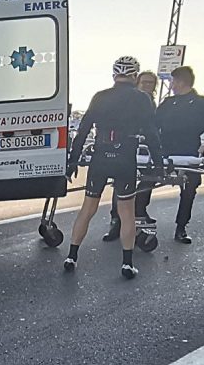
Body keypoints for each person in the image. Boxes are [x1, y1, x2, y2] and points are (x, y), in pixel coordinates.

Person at [64, 56, 164, 279]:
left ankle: (71, 256)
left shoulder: (100, 97)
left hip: (100, 155)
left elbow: (83, 131)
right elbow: (151, 133)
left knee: (88, 208)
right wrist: (158, 164)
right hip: (125, 157)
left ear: (114, 75)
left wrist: (73, 161)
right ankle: (127, 263)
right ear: (135, 75)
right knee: (126, 211)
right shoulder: (142, 99)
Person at [156, 66, 204, 244]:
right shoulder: (167, 103)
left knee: (189, 190)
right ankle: (139, 220)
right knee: (145, 182)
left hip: (189, 150)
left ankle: (181, 227)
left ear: (180, 82)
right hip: (164, 150)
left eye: (172, 81)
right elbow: (153, 124)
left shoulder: (202, 103)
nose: (171, 85)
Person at [102, 70, 162, 239]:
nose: (146, 86)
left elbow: (153, 129)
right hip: (126, 147)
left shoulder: (150, 103)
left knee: (147, 180)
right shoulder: (128, 100)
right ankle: (116, 220)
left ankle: (139, 213)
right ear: (136, 82)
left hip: (144, 147)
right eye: (143, 82)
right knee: (120, 184)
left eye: (150, 83)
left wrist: (157, 157)